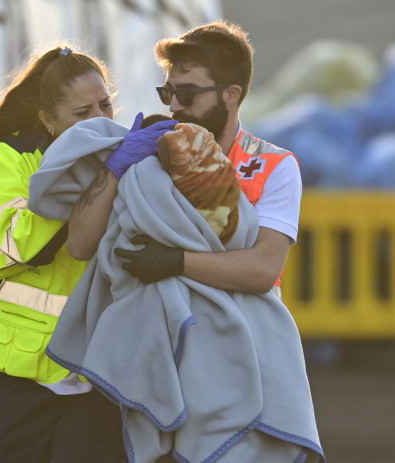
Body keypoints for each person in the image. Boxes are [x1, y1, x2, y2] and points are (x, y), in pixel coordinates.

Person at [0, 45, 173, 463]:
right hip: (16, 372)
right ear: (47, 120)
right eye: (82, 113)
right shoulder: (8, 156)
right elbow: (22, 244)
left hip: (97, 367)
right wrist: (93, 177)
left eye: (105, 103)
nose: (99, 119)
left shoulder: (125, 157)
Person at [69, 20, 301, 299]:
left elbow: (263, 270)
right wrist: (114, 167)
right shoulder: (150, 151)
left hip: (242, 335)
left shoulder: (275, 165)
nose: (174, 106)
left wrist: (177, 261)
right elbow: (80, 247)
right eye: (168, 92)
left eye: (187, 94)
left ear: (231, 95)